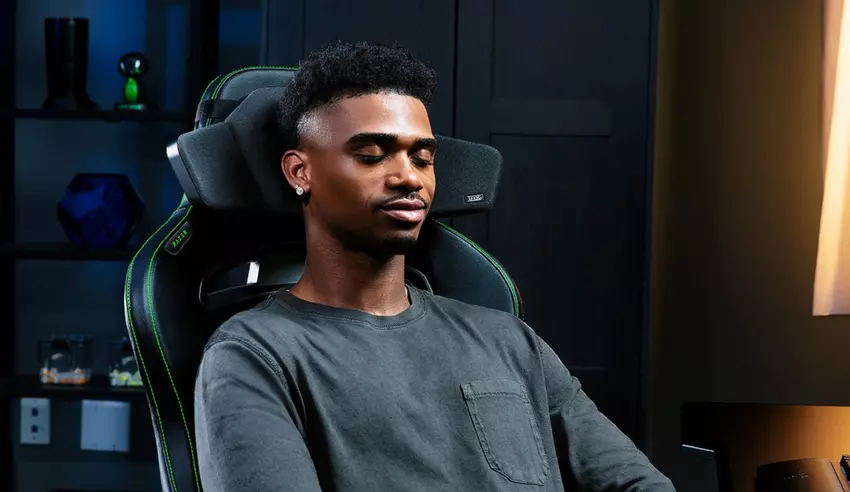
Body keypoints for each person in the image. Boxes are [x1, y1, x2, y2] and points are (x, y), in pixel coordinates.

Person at [194, 40, 675, 492]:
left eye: (422, 158)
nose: (408, 177)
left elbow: (639, 483)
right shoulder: (254, 356)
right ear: (300, 171)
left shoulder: (510, 341)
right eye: (371, 155)